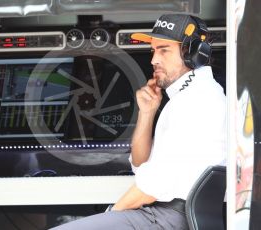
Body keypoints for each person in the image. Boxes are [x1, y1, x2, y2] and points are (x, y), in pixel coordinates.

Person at [50, 13, 226, 230]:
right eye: (153, 51)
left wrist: (111, 213)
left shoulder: (196, 101)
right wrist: (146, 113)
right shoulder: (189, 97)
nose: (154, 60)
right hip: (163, 215)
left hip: (166, 218)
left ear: (194, 53)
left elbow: (151, 186)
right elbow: (141, 166)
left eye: (164, 50)